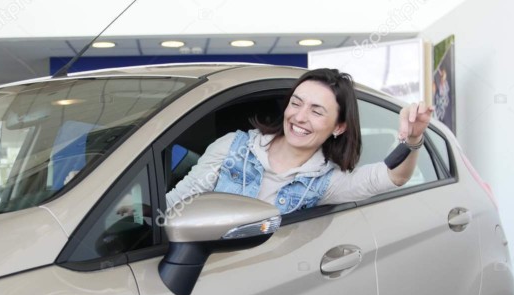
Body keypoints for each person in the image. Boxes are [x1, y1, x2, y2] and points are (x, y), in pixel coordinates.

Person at [164, 68, 434, 215]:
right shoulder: (232, 147)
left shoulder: (325, 183)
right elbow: (176, 205)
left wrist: (413, 138)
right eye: (296, 103)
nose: (300, 117)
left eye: (317, 111)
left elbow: (392, 176)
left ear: (338, 127)